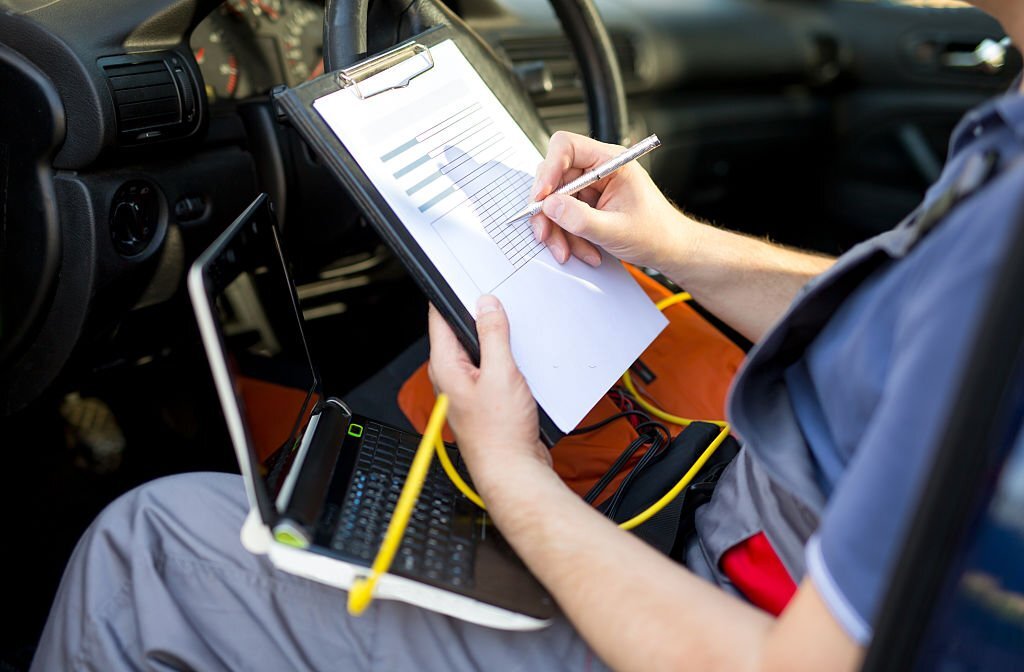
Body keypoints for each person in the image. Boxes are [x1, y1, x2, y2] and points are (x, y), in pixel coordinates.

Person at [31, 2, 1024, 670]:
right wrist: (678, 244)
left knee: (153, 547)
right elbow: (917, 321)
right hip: (737, 515)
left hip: (728, 605)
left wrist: (511, 474)